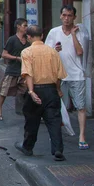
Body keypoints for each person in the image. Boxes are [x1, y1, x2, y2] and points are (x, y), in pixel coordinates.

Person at [15, 25, 67, 161]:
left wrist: (31, 92)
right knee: (54, 120)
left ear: (29, 37)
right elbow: (59, 75)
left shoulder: (27, 52)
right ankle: (57, 149)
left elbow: (28, 74)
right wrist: (58, 89)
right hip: (51, 90)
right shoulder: (53, 52)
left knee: (32, 120)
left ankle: (27, 147)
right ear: (42, 36)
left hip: (36, 89)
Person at [44, 4, 90, 150]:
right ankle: (57, 136)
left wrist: (73, 35)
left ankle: (82, 135)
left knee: (80, 107)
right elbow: (47, 52)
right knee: (57, 107)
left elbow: (80, 52)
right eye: (64, 15)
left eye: (69, 16)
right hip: (59, 76)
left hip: (77, 75)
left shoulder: (80, 32)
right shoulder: (54, 32)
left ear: (74, 17)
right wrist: (54, 50)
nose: (66, 18)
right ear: (60, 16)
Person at [0, 18, 30, 121]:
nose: (26, 28)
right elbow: (4, 54)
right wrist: (16, 58)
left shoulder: (28, 41)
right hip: (12, 70)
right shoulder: (12, 40)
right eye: (24, 26)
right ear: (18, 26)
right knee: (4, 91)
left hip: (24, 71)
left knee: (27, 91)